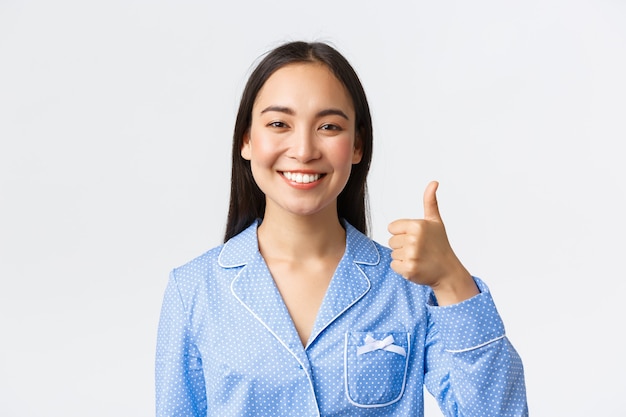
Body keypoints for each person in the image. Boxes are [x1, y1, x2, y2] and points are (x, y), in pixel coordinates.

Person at [155, 40, 528, 416]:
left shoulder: (406, 289)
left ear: (357, 146)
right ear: (247, 140)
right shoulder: (193, 291)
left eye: (329, 126)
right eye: (279, 124)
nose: (303, 150)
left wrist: (452, 280)